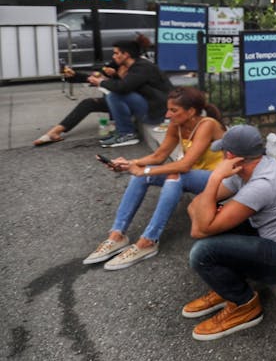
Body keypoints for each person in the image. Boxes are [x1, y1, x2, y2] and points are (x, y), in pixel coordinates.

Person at [182, 125, 276, 341]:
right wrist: (208, 212)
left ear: (230, 156)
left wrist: (213, 180)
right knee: (214, 222)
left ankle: (244, 304)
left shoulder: (262, 184)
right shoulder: (249, 168)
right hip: (269, 235)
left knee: (201, 253)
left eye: (223, 152)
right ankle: (227, 289)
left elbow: (199, 229)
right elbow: (194, 206)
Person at [82, 88, 226, 269]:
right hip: (194, 176)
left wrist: (145, 170)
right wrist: (130, 163)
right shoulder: (177, 124)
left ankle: (149, 241)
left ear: (190, 112)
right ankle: (117, 235)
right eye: (168, 109)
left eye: (174, 110)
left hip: (219, 180)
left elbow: (184, 165)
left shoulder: (207, 124)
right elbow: (159, 156)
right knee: (142, 176)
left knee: (172, 174)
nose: (168, 114)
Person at [97, 39, 174, 148]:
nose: (113, 57)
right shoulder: (135, 66)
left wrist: (101, 82)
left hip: (158, 111)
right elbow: (125, 85)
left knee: (114, 95)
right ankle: (122, 131)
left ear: (126, 55)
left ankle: (127, 133)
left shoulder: (142, 67)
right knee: (113, 93)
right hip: (151, 104)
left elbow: (123, 87)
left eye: (116, 53)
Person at [34, 60, 127, 146]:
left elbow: (125, 85)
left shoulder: (137, 67)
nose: (115, 56)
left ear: (126, 54)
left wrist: (113, 76)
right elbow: (97, 78)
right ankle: (54, 132)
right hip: (116, 100)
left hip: (129, 102)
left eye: (117, 53)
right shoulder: (116, 64)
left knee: (108, 90)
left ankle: (118, 124)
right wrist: (74, 75)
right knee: (89, 103)